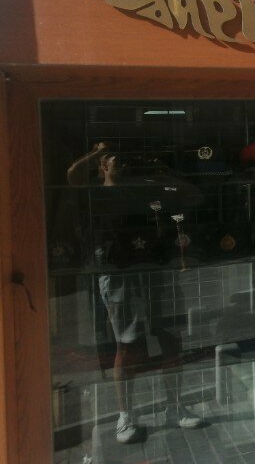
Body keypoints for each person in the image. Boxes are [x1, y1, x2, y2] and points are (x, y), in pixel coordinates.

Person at [68, 143, 203, 444]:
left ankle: (175, 407)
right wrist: (97, 151)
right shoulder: (94, 192)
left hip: (155, 269)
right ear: (103, 166)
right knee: (128, 346)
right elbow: (72, 174)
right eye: (118, 159)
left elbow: (194, 196)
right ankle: (125, 415)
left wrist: (163, 174)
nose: (126, 164)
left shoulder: (146, 188)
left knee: (171, 339)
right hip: (119, 274)